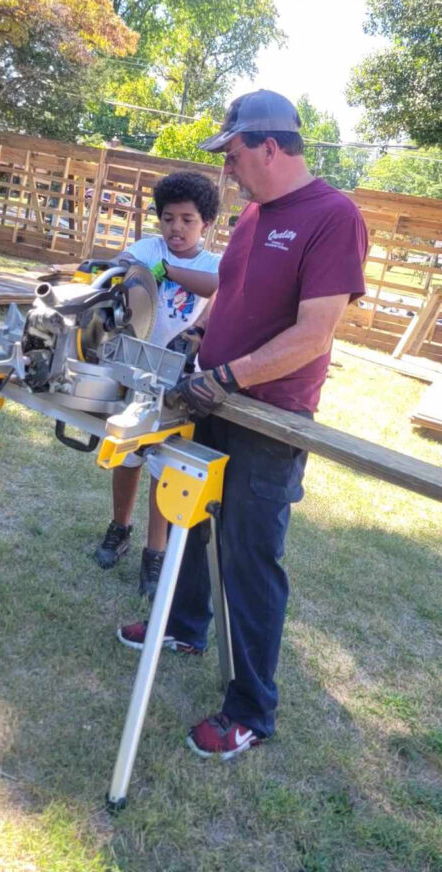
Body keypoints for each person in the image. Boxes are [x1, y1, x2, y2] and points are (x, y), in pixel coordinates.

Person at [117, 89, 368, 759]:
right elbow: (229, 290)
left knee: (251, 558)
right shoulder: (256, 216)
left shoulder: (333, 216)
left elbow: (315, 334)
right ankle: (188, 626)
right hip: (216, 398)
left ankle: (251, 707)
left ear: (269, 146)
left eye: (231, 154)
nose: (227, 171)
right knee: (192, 520)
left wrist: (226, 378)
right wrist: (196, 340)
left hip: (270, 416)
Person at [93, 171, 221, 600]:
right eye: (168, 218)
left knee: (163, 467)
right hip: (134, 366)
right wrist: (140, 269)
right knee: (126, 454)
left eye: (188, 219)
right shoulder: (148, 248)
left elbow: (221, 288)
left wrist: (170, 271)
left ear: (207, 223)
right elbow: (125, 267)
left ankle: (155, 551)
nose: (176, 228)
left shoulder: (212, 266)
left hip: (179, 375)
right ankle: (119, 527)